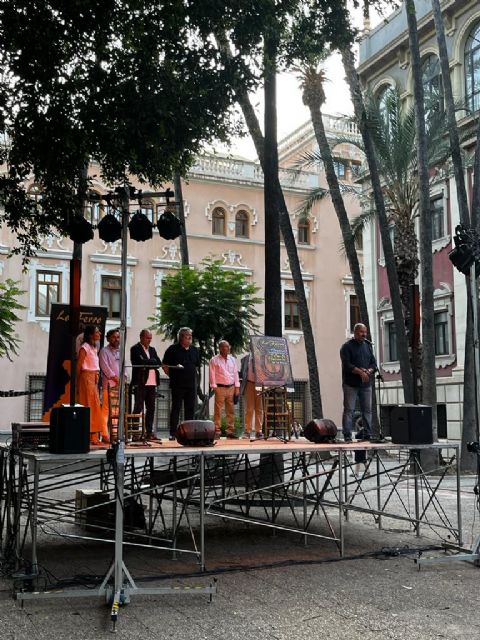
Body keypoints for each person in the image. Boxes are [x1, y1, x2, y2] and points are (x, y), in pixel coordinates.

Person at [340, 323, 377, 443]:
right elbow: (347, 365)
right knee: (349, 410)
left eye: (365, 332)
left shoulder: (367, 346)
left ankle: (367, 434)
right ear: (355, 332)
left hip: (365, 384)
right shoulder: (346, 347)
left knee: (367, 410)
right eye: (361, 332)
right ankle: (347, 435)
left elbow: (373, 364)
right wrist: (360, 372)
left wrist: (369, 371)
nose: (364, 334)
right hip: (350, 384)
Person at [162, 327, 200, 440]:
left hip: (190, 385)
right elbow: (164, 365)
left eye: (191, 336)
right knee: (176, 408)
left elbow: (196, 366)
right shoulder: (172, 349)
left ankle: (189, 432)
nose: (190, 338)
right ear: (181, 337)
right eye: (188, 336)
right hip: (177, 384)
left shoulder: (194, 350)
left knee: (190, 409)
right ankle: (173, 433)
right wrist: (172, 375)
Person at [76, 324, 108, 446]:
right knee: (90, 406)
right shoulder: (85, 347)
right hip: (86, 378)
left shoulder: (93, 347)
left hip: (93, 378)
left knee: (94, 406)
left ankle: (93, 436)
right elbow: (79, 365)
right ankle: (91, 437)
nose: (99, 334)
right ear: (90, 334)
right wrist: (78, 383)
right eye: (97, 332)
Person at [130, 329, 162, 441]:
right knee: (138, 407)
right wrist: (151, 361)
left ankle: (149, 432)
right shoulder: (135, 349)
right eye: (147, 338)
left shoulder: (152, 349)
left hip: (152, 383)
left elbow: (158, 363)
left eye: (150, 338)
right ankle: (135, 433)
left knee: (151, 408)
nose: (149, 340)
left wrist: (149, 361)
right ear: (141, 337)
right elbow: (138, 362)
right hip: (140, 382)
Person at [209, 340, 240, 439]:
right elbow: (212, 374)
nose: (226, 348)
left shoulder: (232, 360)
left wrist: (237, 387)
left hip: (231, 387)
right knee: (218, 410)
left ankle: (230, 431)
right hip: (220, 387)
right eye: (223, 347)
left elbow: (235, 374)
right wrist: (214, 387)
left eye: (227, 347)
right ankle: (217, 431)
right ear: (220, 348)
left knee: (230, 410)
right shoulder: (214, 360)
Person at [99, 328, 121, 435]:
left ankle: (115, 434)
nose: (116, 339)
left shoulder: (120, 351)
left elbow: (124, 368)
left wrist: (124, 378)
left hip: (119, 386)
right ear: (108, 339)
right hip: (109, 384)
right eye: (113, 337)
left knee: (116, 411)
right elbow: (105, 367)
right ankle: (105, 435)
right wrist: (115, 378)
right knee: (106, 410)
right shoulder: (104, 351)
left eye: (118, 337)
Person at [240, 353, 264, 440]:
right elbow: (242, 372)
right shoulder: (245, 358)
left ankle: (259, 431)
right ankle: (247, 431)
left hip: (259, 385)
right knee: (249, 409)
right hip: (249, 384)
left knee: (259, 409)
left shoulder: (262, 357)